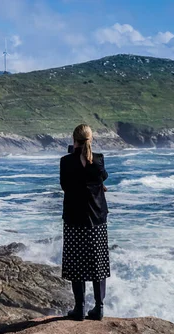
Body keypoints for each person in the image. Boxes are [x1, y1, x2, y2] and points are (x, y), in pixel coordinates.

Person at [59, 124, 110, 321]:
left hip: (74, 218)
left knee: (76, 264)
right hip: (96, 218)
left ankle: (79, 308)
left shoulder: (66, 161)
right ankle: (99, 307)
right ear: (91, 139)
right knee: (98, 264)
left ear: (74, 139)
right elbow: (102, 177)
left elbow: (65, 185)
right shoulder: (98, 160)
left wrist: (74, 153)